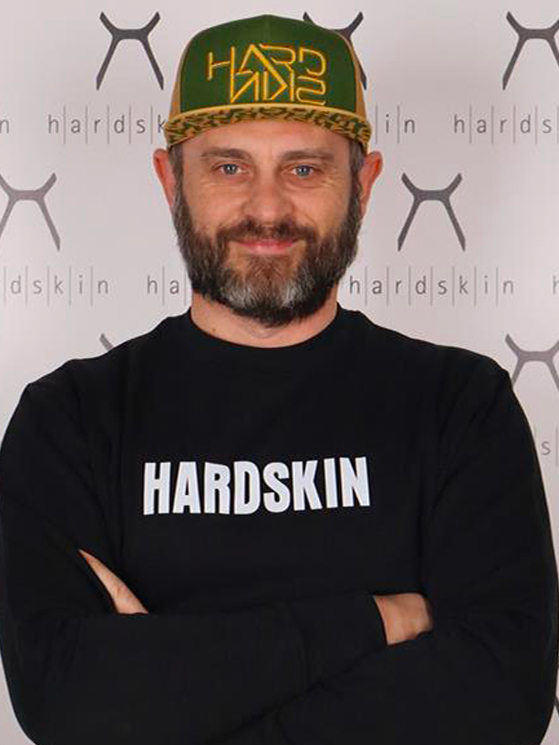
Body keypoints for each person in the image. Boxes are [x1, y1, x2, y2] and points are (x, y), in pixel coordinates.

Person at [0, 13, 557, 745]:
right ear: (171, 180)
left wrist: (171, 695)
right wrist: (375, 620)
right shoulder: (70, 420)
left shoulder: (462, 407)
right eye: (229, 167)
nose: (266, 209)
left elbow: (500, 701)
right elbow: (69, 702)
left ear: (364, 183)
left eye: (304, 169)